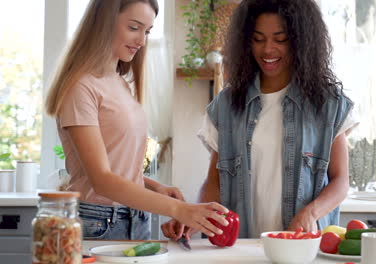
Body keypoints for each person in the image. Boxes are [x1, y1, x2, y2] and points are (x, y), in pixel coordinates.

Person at [162, 0, 358, 240]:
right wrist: (196, 216)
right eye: (258, 39)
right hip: (241, 249)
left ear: (300, 39)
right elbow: (215, 182)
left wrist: (311, 213)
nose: (267, 49)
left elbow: (341, 181)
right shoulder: (227, 106)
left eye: (280, 39)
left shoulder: (327, 104)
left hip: (301, 249)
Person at [44, 0, 229, 240]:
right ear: (103, 23)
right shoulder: (81, 87)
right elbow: (101, 180)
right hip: (97, 223)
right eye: (134, 27)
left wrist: (155, 187)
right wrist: (181, 210)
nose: (142, 41)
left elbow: (115, 166)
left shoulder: (119, 83)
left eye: (148, 31)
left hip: (134, 219)